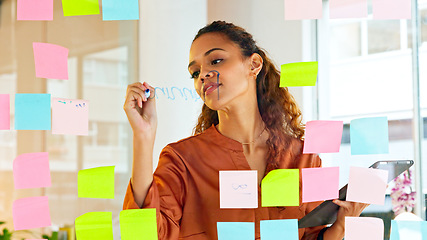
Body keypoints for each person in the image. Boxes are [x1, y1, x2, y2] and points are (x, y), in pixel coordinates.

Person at [123, 20, 368, 240]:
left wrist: (342, 226)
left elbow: (312, 237)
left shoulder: (305, 156)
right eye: (195, 72)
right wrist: (143, 137)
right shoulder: (182, 160)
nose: (203, 75)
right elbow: (145, 234)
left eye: (216, 60)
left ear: (254, 64)